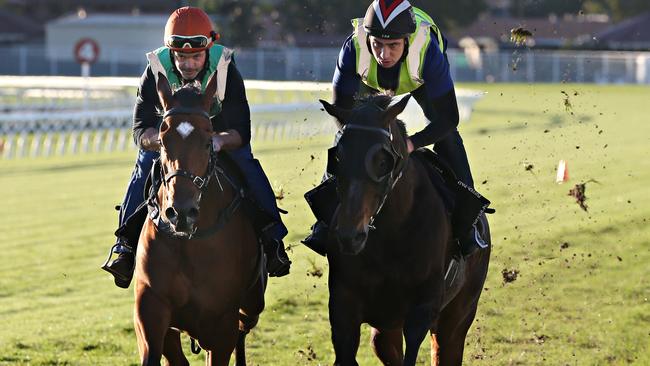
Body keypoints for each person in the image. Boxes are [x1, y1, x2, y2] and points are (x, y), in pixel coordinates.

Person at [103, 7, 291, 288]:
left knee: (246, 163)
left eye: (195, 56)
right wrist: (162, 141)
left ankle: (273, 240)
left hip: (218, 132)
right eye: (181, 57)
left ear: (208, 49)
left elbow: (242, 131)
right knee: (144, 165)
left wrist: (217, 140)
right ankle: (124, 248)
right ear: (171, 52)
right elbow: (140, 127)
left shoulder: (225, 67)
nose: (188, 64)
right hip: (170, 138)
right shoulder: (155, 68)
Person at [302, 0, 489, 257]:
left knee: (448, 138)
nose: (384, 54)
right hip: (368, 83)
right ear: (368, 39)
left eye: (393, 46)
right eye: (377, 44)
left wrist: (411, 143)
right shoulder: (352, 48)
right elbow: (340, 110)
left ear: (407, 41)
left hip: (419, 81)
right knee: (346, 138)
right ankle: (324, 222)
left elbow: (449, 118)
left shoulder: (428, 51)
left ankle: (469, 220)